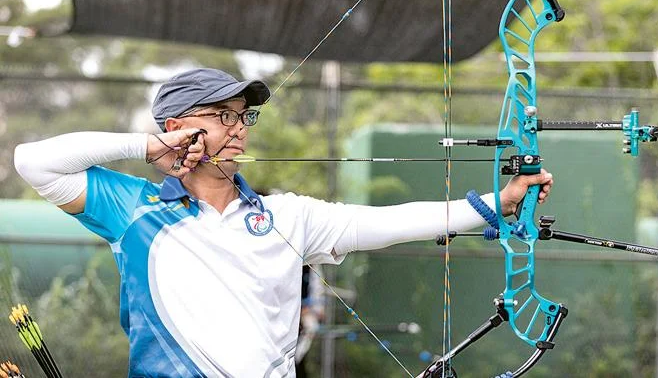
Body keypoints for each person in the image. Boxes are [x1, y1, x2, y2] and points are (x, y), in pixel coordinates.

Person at [13, 68, 554, 378]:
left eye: (243, 117)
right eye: (222, 116)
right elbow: (32, 161)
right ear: (178, 127)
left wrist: (497, 201)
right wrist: (146, 145)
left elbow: (386, 223)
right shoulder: (131, 208)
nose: (240, 129)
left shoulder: (286, 215)